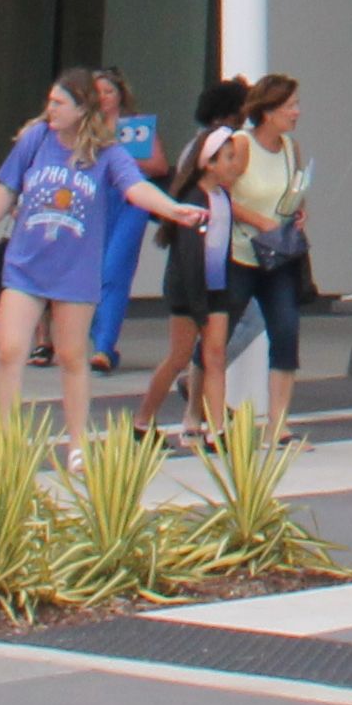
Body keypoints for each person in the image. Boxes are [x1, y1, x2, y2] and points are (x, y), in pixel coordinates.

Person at [0, 66, 199, 458]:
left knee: (72, 357)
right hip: (26, 264)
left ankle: (77, 445)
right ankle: (3, 443)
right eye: (50, 101)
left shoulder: (107, 154)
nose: (50, 109)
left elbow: (136, 188)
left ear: (81, 109)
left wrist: (173, 209)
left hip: (75, 270)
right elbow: (7, 188)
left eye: (59, 102)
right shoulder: (36, 139)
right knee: (9, 351)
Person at [134, 99, 244, 448]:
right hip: (189, 291)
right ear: (208, 163)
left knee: (215, 356)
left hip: (216, 289)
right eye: (228, 158)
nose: (235, 165)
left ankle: (217, 431)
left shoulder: (224, 198)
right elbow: (189, 256)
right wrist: (198, 306)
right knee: (179, 357)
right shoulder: (195, 200)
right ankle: (142, 421)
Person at [225, 73, 316, 439]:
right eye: (290, 106)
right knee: (221, 332)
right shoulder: (241, 144)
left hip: (278, 255)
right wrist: (258, 219)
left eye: (296, 104)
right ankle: (196, 410)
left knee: (286, 330)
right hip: (241, 253)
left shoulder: (292, 148)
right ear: (268, 110)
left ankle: (278, 424)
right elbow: (221, 195)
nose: (297, 112)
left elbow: (294, 190)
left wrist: (299, 211)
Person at [78, 68, 144, 378]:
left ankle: (104, 346)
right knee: (89, 273)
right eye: (98, 92)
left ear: (120, 95)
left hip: (128, 202)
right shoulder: (82, 127)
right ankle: (100, 338)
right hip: (92, 201)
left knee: (115, 271)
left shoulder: (135, 127)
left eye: (109, 91)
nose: (103, 97)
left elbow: (157, 164)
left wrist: (121, 159)